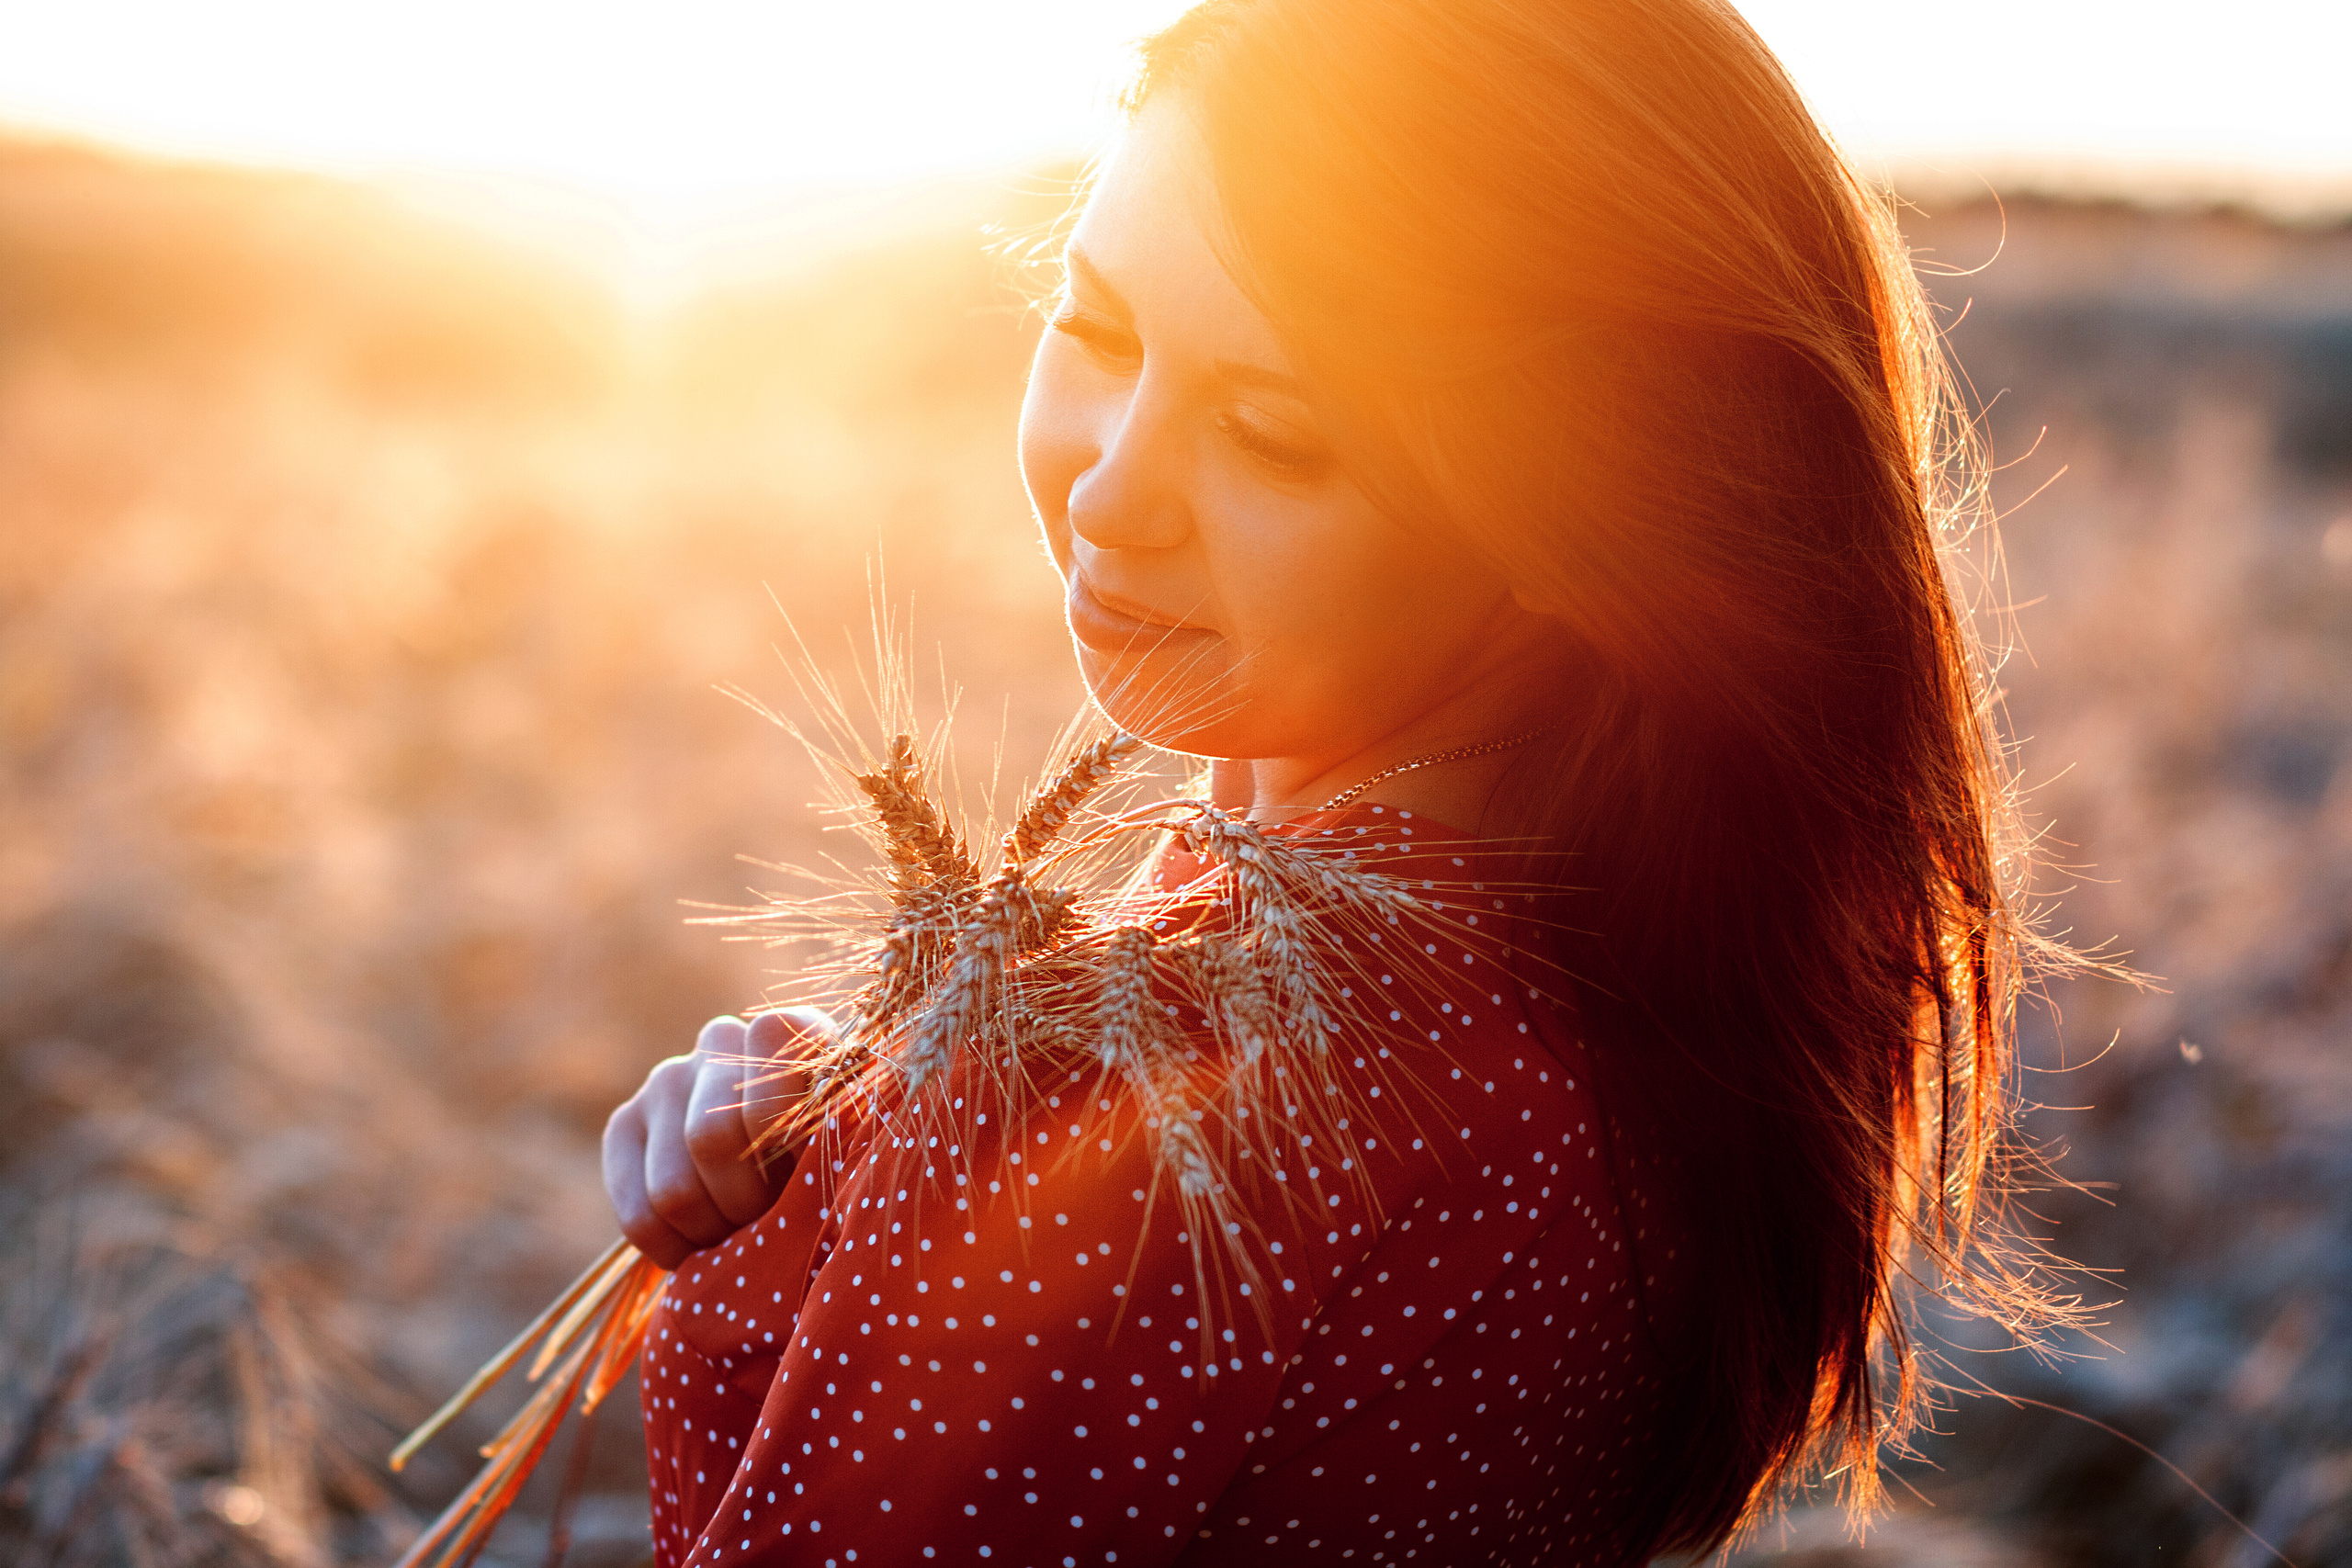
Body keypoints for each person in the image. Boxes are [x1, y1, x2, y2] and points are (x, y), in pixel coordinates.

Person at [601, 0, 2068, 1561]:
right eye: (1097, 329)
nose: (1111, 483)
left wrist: (925, 1152)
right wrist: (843, 1165)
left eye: (1274, 433)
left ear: (1582, 512)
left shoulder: (1164, 1110)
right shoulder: (1648, 998)